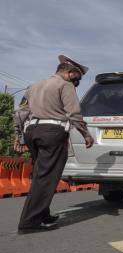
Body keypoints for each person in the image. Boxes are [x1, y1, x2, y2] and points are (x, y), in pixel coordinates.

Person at [14, 55, 95, 233]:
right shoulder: (65, 86)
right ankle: (30, 222)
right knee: (46, 178)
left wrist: (18, 135)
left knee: (39, 175)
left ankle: (43, 215)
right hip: (52, 134)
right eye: (77, 78)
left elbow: (21, 112)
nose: (77, 82)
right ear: (69, 72)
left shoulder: (33, 85)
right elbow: (74, 114)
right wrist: (86, 134)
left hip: (32, 133)